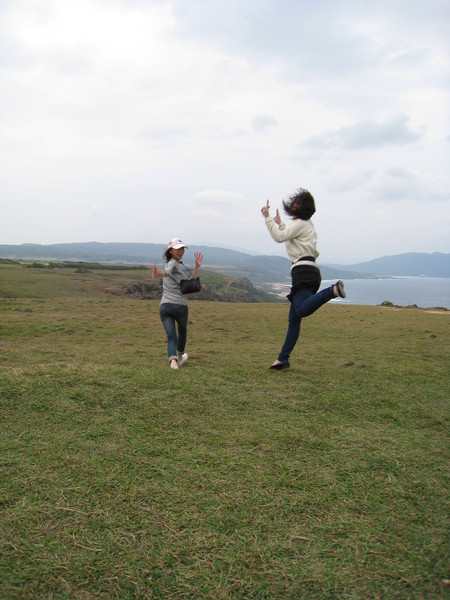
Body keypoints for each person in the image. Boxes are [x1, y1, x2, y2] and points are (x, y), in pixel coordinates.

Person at [261, 189, 346, 370]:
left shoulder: (302, 223)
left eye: (297, 203)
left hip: (304, 271)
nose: (293, 205)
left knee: (300, 310)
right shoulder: (305, 225)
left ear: (302, 208)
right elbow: (291, 237)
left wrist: (268, 218)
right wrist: (280, 224)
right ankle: (283, 359)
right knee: (294, 320)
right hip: (309, 270)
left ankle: (332, 291)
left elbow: (280, 237)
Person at [152, 238, 203, 370]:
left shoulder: (172, 265)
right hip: (180, 306)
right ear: (171, 251)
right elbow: (167, 272)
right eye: (178, 249)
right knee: (182, 331)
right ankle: (179, 358)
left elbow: (188, 283)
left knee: (171, 336)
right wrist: (159, 273)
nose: (181, 251)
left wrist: (197, 266)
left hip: (164, 307)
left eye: (182, 249)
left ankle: (173, 362)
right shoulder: (173, 264)